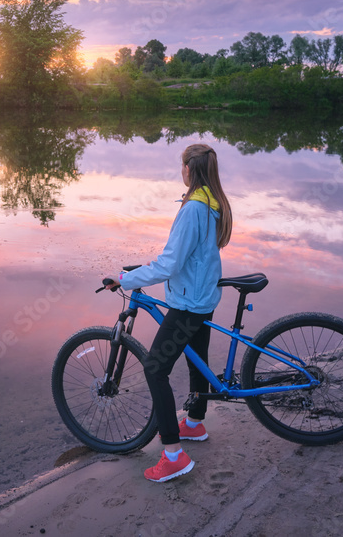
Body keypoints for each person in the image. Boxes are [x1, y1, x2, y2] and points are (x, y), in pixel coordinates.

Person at [106, 143, 232, 482]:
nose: (181, 171)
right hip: (204, 297)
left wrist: (126, 279)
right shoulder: (212, 200)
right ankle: (193, 423)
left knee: (155, 368)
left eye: (182, 167)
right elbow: (188, 257)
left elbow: (170, 263)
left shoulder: (193, 208)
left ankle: (173, 455)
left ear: (189, 170)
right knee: (197, 359)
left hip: (189, 303)